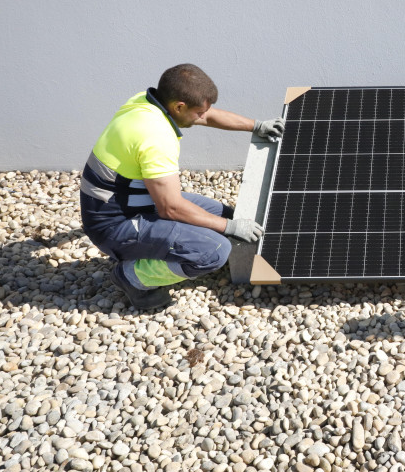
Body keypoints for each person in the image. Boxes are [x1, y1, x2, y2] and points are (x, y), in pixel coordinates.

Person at [80, 64, 285, 309]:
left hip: (132, 200)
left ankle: (174, 248)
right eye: (198, 112)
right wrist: (230, 227)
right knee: (217, 249)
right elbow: (171, 208)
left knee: (225, 217)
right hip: (114, 224)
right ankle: (132, 277)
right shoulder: (156, 137)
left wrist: (257, 125)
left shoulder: (146, 103)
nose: (202, 117)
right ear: (179, 107)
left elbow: (208, 115)